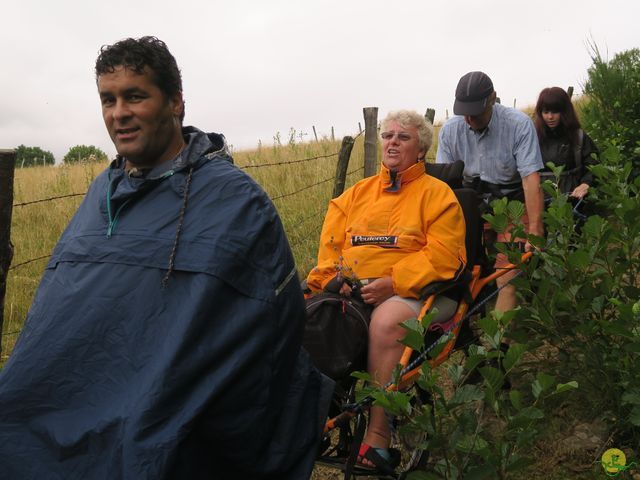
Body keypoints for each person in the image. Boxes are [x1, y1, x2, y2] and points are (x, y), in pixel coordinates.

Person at [0, 36, 332, 480]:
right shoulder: (103, 192)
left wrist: (156, 405)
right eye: (108, 99)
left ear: (175, 102)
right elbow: (58, 320)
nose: (119, 113)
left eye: (135, 96)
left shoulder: (233, 201)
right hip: (72, 401)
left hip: (162, 415)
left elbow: (266, 334)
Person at [307, 110, 467, 473]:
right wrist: (333, 278)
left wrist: (395, 282)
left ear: (421, 148)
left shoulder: (438, 196)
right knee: (298, 314)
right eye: (388, 135)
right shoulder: (354, 196)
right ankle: (307, 417)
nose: (393, 141)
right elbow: (330, 246)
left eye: (404, 137)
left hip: (420, 293)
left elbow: (445, 257)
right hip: (352, 290)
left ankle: (376, 438)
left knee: (386, 321)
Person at [436, 71, 544, 312]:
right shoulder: (450, 130)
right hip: (471, 205)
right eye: (464, 112)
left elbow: (530, 179)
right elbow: (444, 185)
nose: (468, 119)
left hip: (512, 207)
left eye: (475, 112)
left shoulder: (518, 125)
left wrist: (536, 230)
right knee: (464, 269)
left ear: (493, 99)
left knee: (507, 274)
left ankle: (500, 347)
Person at [534, 86, 599, 200]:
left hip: (573, 201)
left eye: (555, 111)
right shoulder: (531, 138)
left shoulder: (578, 137)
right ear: (540, 113)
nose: (550, 117)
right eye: (546, 112)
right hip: (540, 202)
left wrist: (585, 184)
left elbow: (594, 165)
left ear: (565, 111)